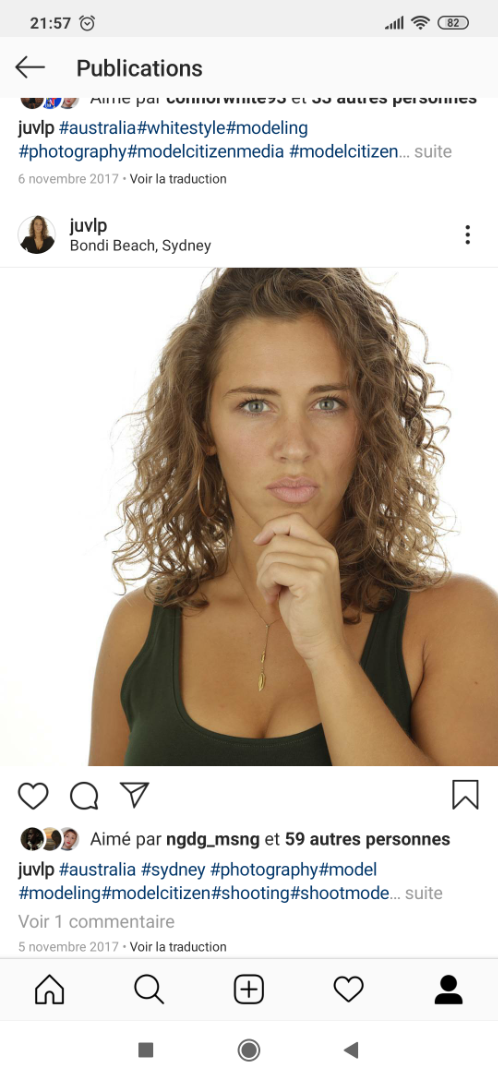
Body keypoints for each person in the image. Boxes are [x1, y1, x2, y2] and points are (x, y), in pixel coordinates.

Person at [90, 268, 498, 766]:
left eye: (328, 403)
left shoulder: (455, 618)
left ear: (368, 423)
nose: (295, 446)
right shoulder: (138, 629)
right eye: (255, 405)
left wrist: (327, 653)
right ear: (204, 426)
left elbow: (456, 820)